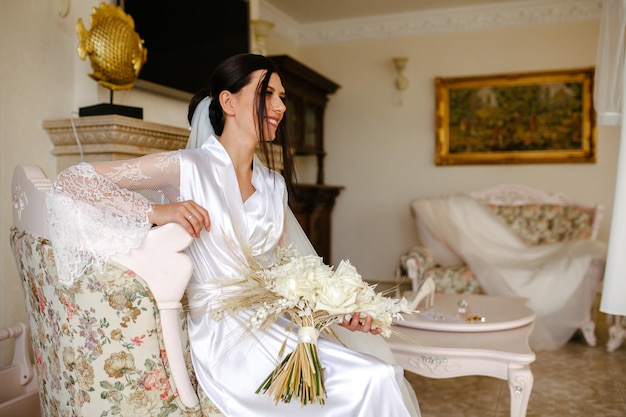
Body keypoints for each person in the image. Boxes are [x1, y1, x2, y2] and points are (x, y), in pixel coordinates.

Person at [47, 53, 420, 416]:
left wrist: (337, 312)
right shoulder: (186, 167)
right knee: (370, 380)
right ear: (228, 101)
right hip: (225, 342)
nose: (280, 107)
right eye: (267, 94)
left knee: (381, 374)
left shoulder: (272, 185)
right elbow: (74, 179)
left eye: (282, 97)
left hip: (275, 327)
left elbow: (295, 273)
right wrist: (157, 211)